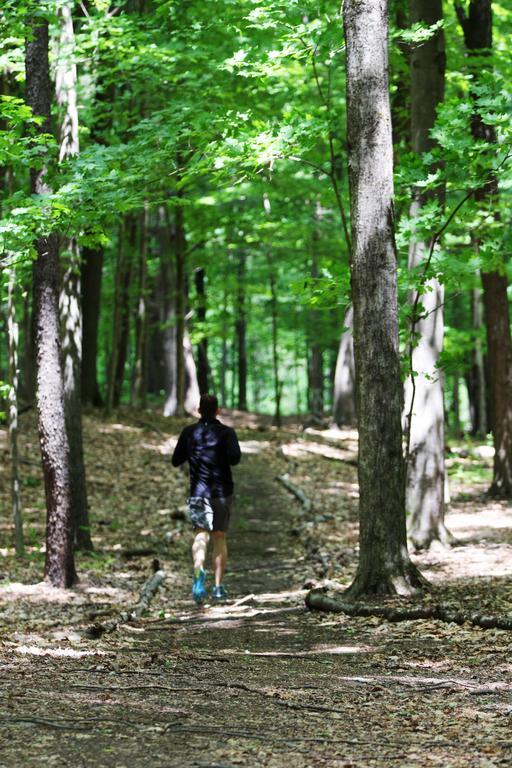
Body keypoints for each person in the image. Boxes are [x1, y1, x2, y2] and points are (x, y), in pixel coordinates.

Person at [171, 393, 241, 603]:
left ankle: (199, 573)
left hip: (199, 493)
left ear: (199, 411)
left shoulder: (189, 432)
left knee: (201, 535)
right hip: (222, 493)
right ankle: (218, 587)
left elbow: (176, 460)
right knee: (219, 537)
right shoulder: (227, 433)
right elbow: (235, 459)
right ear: (218, 411)